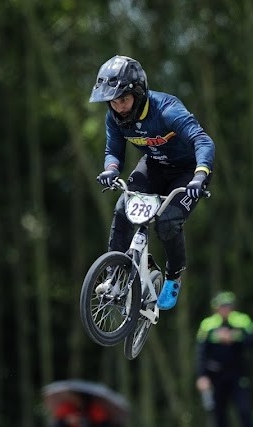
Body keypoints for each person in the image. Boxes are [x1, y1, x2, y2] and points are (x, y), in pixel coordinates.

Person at [88, 54, 216, 311]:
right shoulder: (114, 117)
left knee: (167, 222)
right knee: (123, 208)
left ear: (138, 94)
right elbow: (113, 151)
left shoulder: (167, 110)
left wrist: (200, 175)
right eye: (113, 102)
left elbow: (203, 141)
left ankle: (173, 275)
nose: (119, 107)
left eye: (123, 100)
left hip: (189, 172)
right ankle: (114, 276)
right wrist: (110, 170)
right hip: (154, 166)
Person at [195, 291, 253, 427]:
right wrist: (202, 376)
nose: (225, 309)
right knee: (218, 415)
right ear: (216, 308)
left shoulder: (242, 320)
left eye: (228, 306)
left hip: (238, 373)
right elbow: (201, 352)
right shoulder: (207, 324)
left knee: (244, 411)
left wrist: (234, 336)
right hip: (215, 375)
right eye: (222, 306)